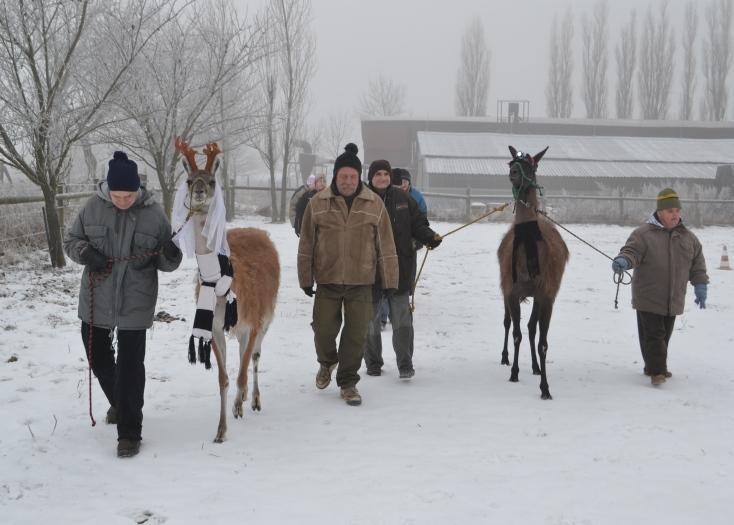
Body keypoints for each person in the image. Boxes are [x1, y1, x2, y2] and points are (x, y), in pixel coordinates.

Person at [64, 151, 182, 457]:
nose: (123, 200)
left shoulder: (154, 214)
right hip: (97, 297)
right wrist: (86, 254)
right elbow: (71, 241)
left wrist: (170, 256)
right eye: (117, 195)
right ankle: (119, 401)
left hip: (136, 300)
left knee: (131, 367)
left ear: (137, 190)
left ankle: (129, 432)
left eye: (128, 195)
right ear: (108, 189)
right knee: (96, 354)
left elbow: (166, 260)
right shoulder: (92, 208)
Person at [297, 143, 398, 406]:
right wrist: (306, 278)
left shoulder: (373, 204)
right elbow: (306, 243)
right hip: (328, 279)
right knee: (322, 330)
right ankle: (327, 362)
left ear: (359, 177)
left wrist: (389, 281)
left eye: (353, 176)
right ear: (335, 176)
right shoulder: (318, 203)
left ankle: (348, 383)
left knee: (356, 335)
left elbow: (385, 245)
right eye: (343, 176)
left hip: (361, 281)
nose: (348, 181)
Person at [612, 188, 708, 387]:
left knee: (662, 336)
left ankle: (652, 366)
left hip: (673, 299)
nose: (675, 215)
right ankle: (658, 371)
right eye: (670, 211)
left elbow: (697, 263)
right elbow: (632, 252)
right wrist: (624, 260)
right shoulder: (643, 234)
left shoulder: (688, 237)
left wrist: (700, 284)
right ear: (660, 212)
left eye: (677, 211)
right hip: (648, 297)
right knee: (655, 336)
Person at [364, 159, 442, 379]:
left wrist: (429, 237)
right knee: (369, 321)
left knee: (402, 319)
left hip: (399, 268)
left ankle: (405, 363)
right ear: (371, 177)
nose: (382, 178)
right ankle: (373, 362)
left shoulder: (403, 199)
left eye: (385, 174)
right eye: (377, 174)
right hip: (369, 271)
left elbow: (418, 224)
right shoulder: (362, 200)